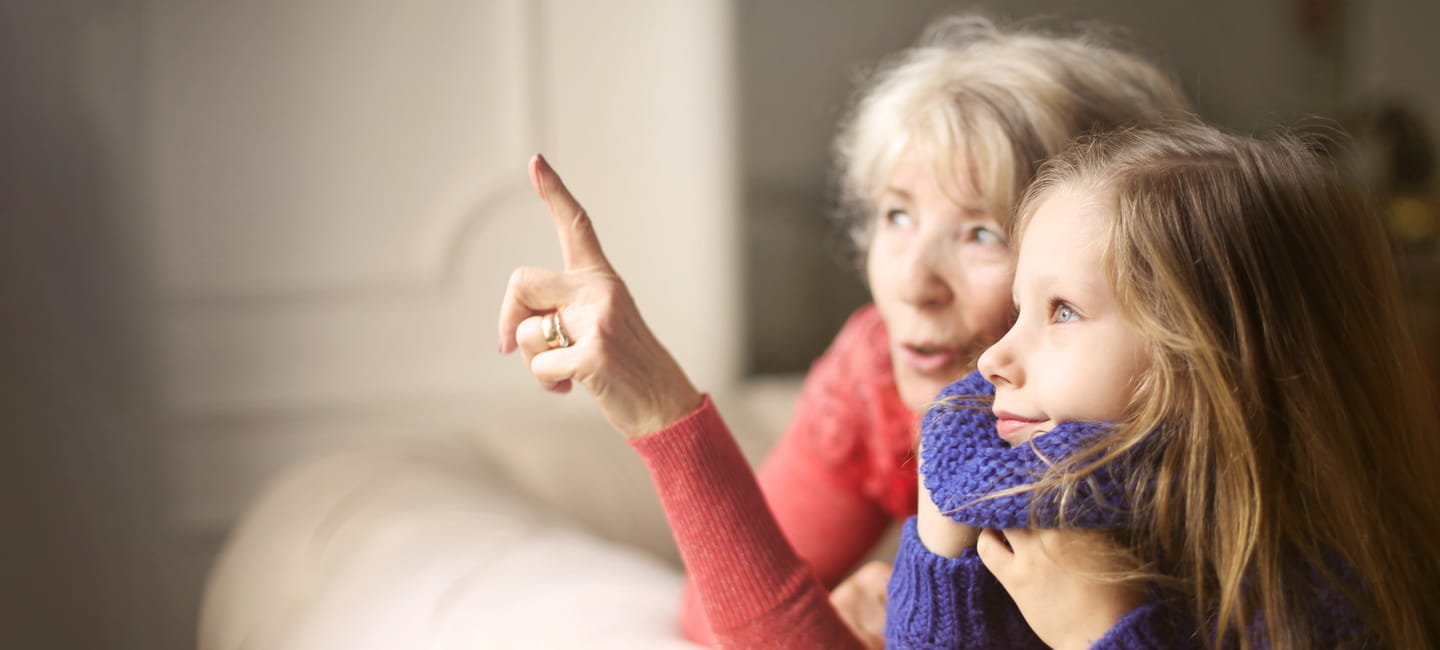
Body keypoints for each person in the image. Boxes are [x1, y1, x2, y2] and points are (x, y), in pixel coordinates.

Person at [499, 14, 1191, 647]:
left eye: (982, 232)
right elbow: (716, 622)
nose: (913, 283)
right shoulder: (875, 374)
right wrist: (658, 404)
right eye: (897, 216)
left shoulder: (1169, 437)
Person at [889, 122, 1440, 648]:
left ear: (1211, 359)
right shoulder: (1023, 520)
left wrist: (1104, 633)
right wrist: (943, 561)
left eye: (1062, 312)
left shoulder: (1324, 593)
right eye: (1018, 310)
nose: (992, 359)